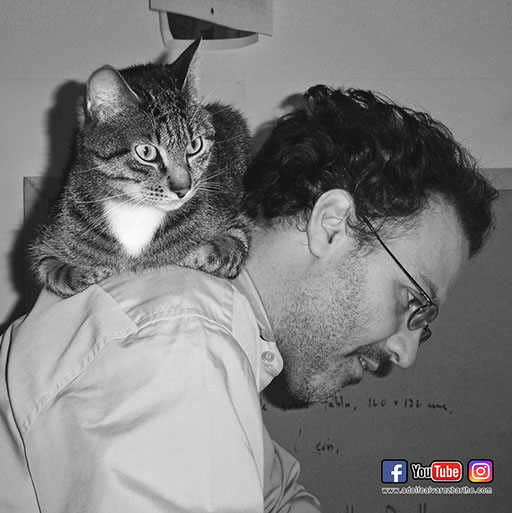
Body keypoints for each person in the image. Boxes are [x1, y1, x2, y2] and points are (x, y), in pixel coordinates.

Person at [0, 85, 497, 512]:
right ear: (332, 227)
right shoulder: (184, 338)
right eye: (413, 302)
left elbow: (279, 493)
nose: (405, 355)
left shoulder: (213, 333)